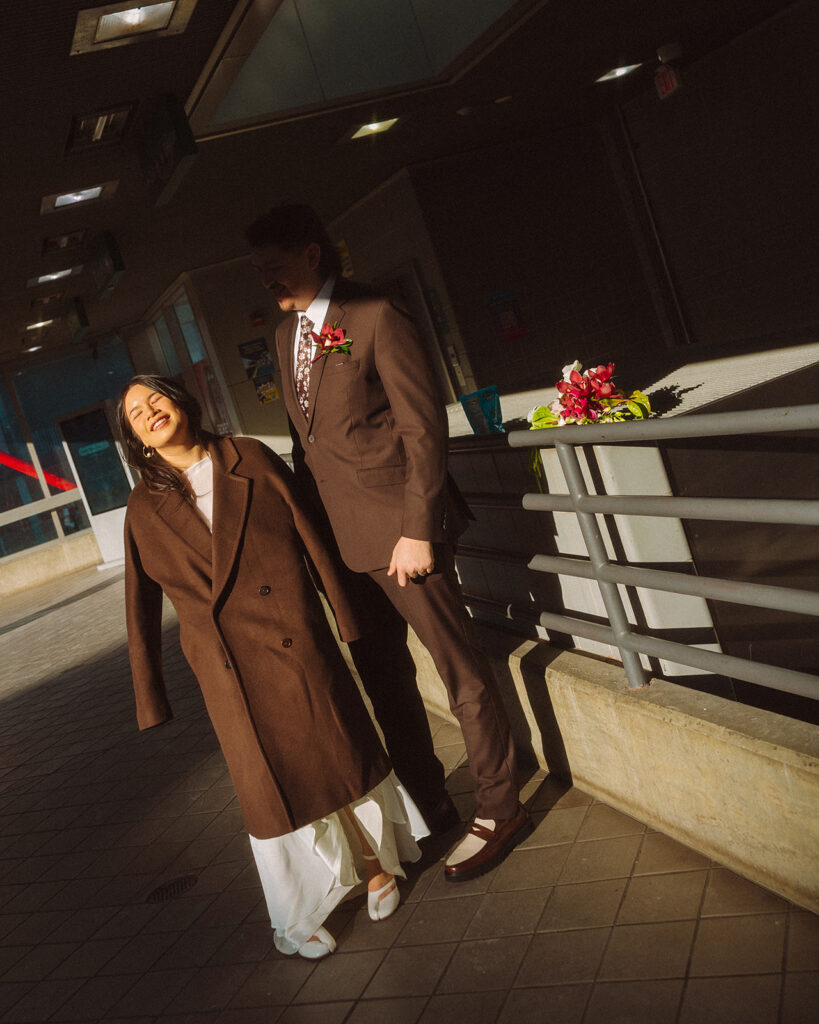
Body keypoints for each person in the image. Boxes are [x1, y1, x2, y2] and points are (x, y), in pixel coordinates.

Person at [246, 203, 532, 882]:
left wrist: (417, 529)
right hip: (342, 548)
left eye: (274, 264)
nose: (267, 280)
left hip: (403, 537)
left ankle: (499, 809)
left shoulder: (375, 314)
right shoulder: (286, 334)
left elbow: (422, 428)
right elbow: (305, 446)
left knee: (458, 670)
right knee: (385, 682)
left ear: (312, 253)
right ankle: (431, 803)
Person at [118, 374, 428, 958]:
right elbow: (139, 606)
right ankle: (295, 911)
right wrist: (150, 694)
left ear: (181, 401)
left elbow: (313, 536)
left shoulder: (248, 456)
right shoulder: (142, 506)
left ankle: (375, 865)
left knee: (338, 752)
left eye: (154, 398)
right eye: (135, 413)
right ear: (136, 439)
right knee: (268, 786)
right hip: (226, 666)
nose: (149, 411)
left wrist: (345, 617)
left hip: (294, 638)